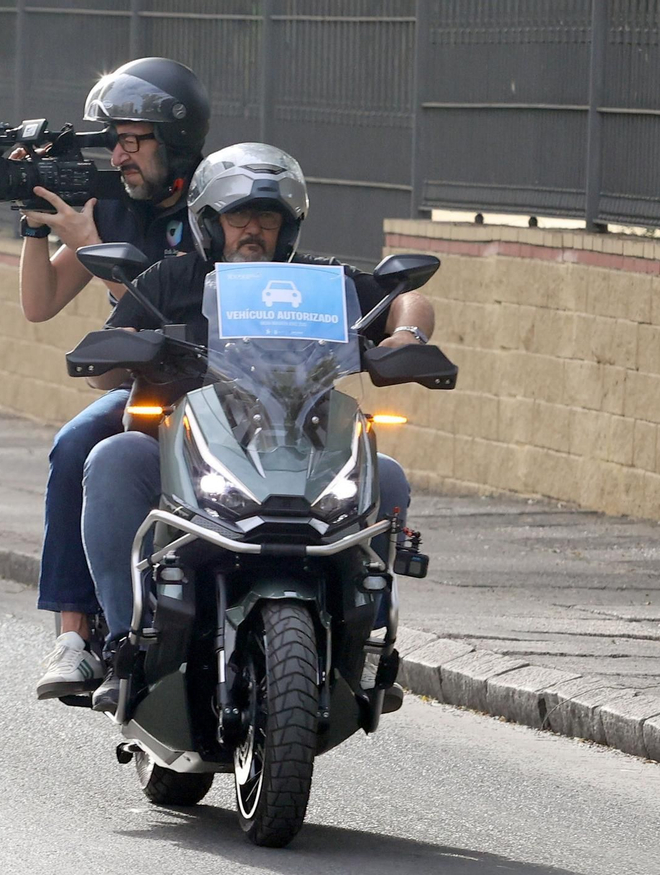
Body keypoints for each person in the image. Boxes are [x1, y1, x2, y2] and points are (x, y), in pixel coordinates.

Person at [79, 143, 437, 713]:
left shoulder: (320, 282)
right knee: (114, 459)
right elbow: (105, 369)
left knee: (386, 477)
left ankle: (364, 649)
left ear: (286, 225)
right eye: (237, 216)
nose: (252, 229)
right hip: (184, 452)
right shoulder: (172, 278)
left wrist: (406, 337)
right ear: (209, 223)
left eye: (266, 217)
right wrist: (131, 353)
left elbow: (406, 298)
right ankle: (124, 642)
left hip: (302, 447)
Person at [28, 59, 211, 702]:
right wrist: (37, 228)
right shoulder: (111, 207)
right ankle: (74, 639)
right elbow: (40, 302)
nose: (120, 154)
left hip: (213, 389)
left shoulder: (212, 210)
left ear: (175, 142)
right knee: (74, 444)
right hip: (141, 391)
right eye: (115, 140)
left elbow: (167, 313)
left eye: (134, 140)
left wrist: (87, 242)